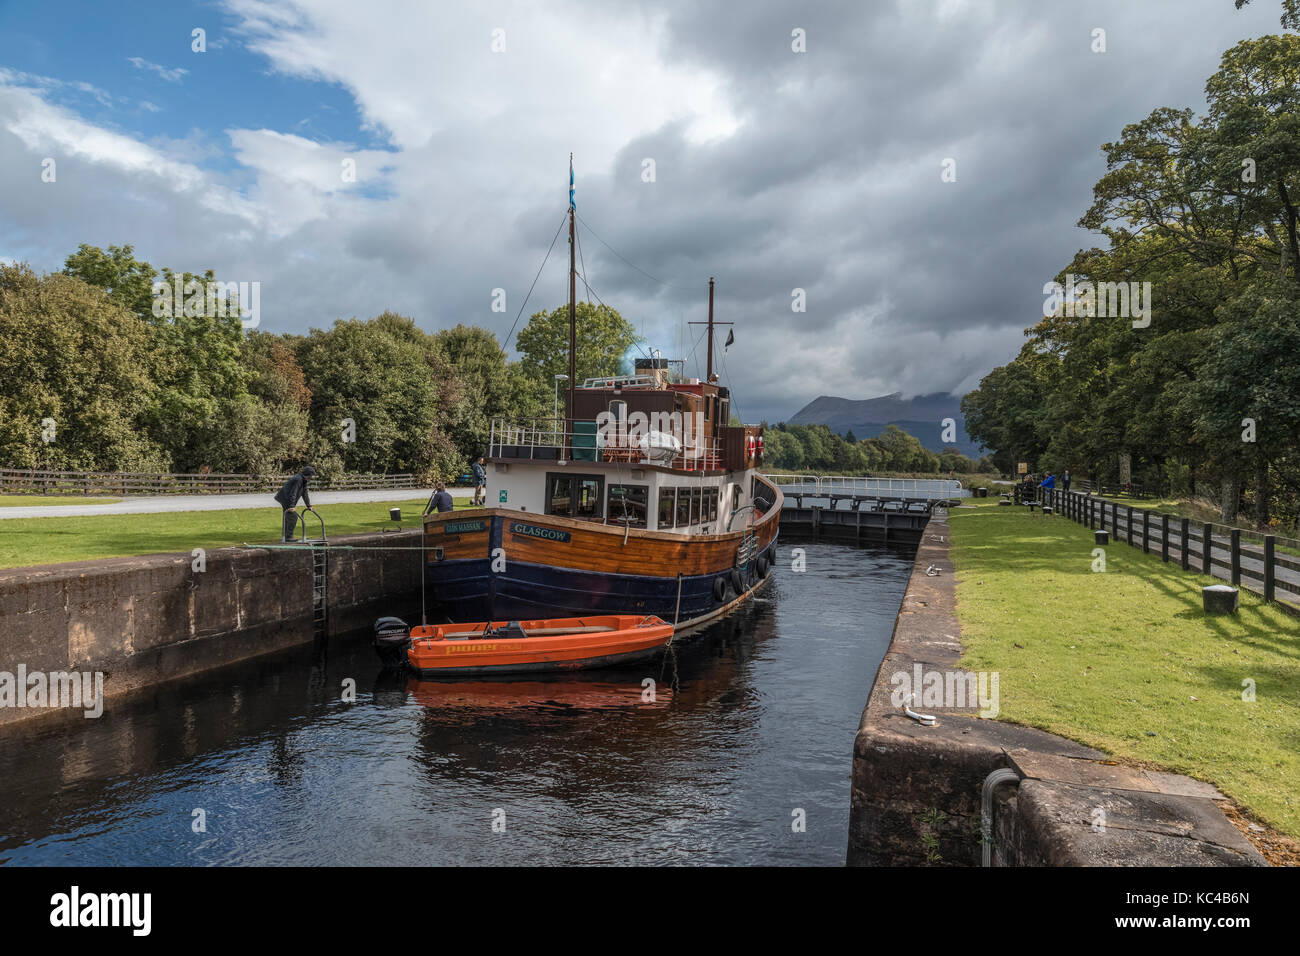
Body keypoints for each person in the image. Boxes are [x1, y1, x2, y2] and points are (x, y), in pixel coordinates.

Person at [275, 466, 316, 541]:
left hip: (286, 498)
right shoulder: (298, 479)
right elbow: (293, 493)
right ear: (307, 475)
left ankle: (286, 536)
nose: (311, 477)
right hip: (285, 498)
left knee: (288, 517)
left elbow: (305, 494)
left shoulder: (304, 480)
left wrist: (309, 505)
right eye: (311, 476)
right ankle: (288, 537)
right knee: (293, 516)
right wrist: (292, 506)